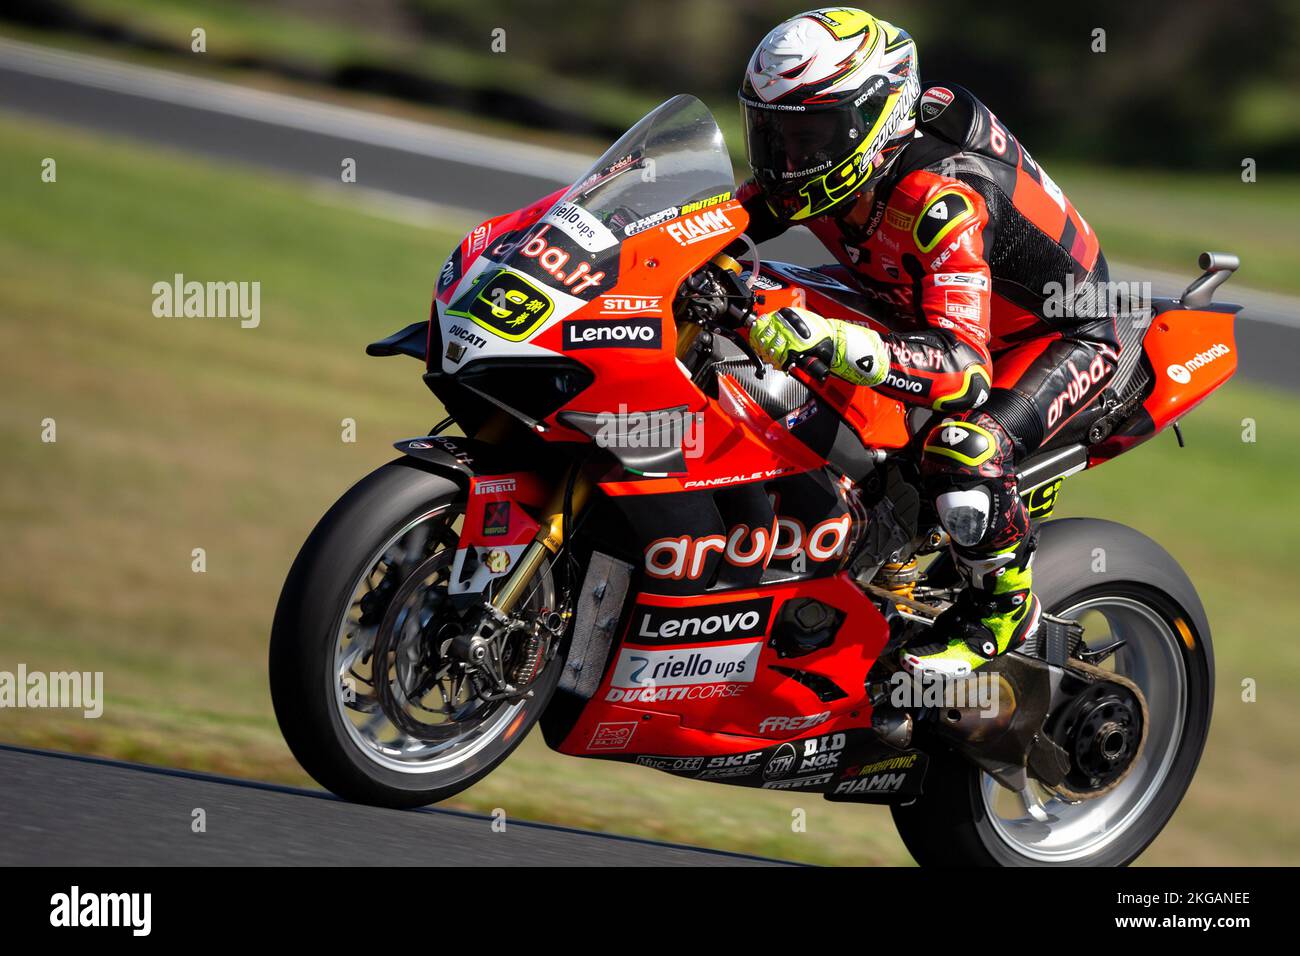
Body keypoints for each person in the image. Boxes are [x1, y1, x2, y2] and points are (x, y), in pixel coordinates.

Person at [738, 7, 1120, 678]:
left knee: (965, 448)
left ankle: (1003, 614)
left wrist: (831, 342)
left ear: (874, 120)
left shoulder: (943, 200)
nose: (790, 159)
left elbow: (962, 373)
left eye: (813, 134)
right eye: (775, 134)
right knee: (749, 290)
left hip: (1050, 335)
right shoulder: (825, 172)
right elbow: (720, 223)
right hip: (914, 302)